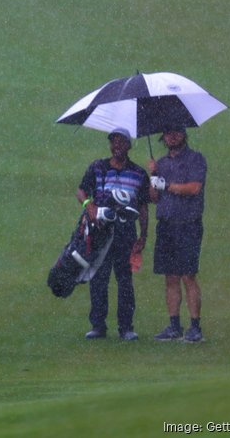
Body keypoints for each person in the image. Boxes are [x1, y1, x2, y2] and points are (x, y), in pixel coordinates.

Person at [75, 128, 149, 341]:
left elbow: (143, 206)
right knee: (99, 278)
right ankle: (98, 326)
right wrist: (89, 206)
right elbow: (81, 192)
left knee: (125, 280)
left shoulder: (138, 173)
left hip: (126, 232)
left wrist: (143, 236)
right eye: (113, 141)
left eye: (121, 141)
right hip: (100, 231)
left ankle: (126, 327)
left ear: (128, 145)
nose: (116, 145)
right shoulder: (98, 167)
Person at [148, 126, 207, 343]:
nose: (172, 136)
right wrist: (153, 175)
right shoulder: (161, 164)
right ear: (162, 137)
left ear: (184, 134)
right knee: (170, 276)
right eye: (168, 132)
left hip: (188, 224)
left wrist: (167, 184)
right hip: (166, 225)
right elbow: (154, 197)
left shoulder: (195, 159)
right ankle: (174, 326)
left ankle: (195, 327)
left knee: (188, 275)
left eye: (177, 131)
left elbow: (194, 188)